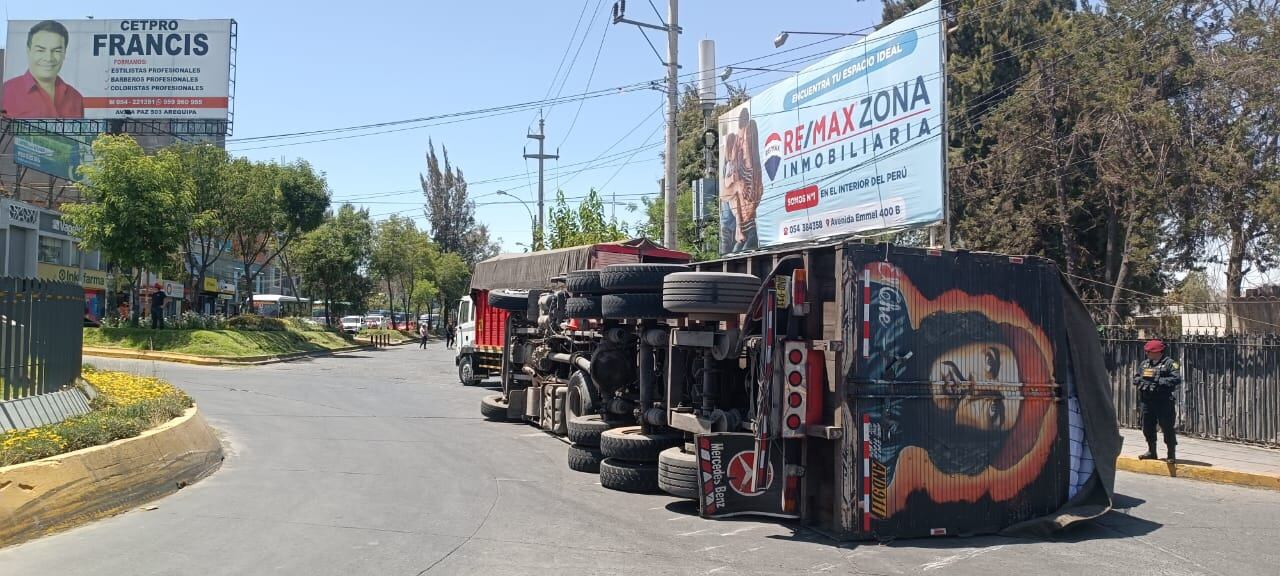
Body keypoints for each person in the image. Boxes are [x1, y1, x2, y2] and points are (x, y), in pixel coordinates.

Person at [2, 20, 84, 118]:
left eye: (57, 50)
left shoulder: (75, 97)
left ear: (64, 53)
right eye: (40, 50)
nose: (48, 58)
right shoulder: (7, 91)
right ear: (28, 50)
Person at [1133, 339, 1181, 461]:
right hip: (1147, 401)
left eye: (1150, 351)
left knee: (1167, 427)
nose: (1147, 353)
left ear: (1159, 352)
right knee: (1147, 427)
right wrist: (1140, 381)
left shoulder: (1170, 363)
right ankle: (1151, 451)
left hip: (1163, 401)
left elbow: (1176, 379)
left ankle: (1171, 454)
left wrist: (1158, 381)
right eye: (1147, 351)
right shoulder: (1145, 364)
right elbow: (1137, 377)